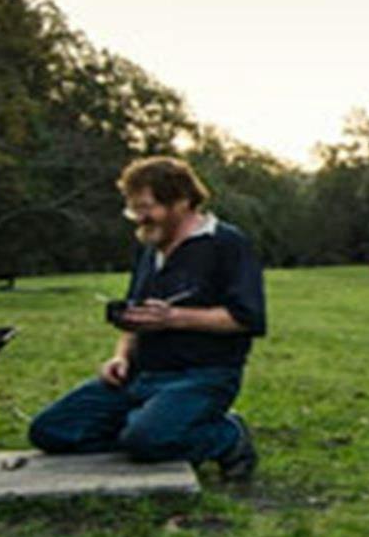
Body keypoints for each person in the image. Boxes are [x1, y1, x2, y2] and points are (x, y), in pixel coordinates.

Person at [29, 156, 265, 479]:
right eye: (133, 208)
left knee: (146, 440)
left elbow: (247, 319)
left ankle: (228, 437)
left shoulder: (227, 244)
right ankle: (157, 430)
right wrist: (120, 356)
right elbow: (136, 314)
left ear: (181, 202)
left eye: (146, 207)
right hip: (139, 376)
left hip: (202, 376)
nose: (138, 218)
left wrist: (174, 318)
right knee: (50, 431)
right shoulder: (149, 246)